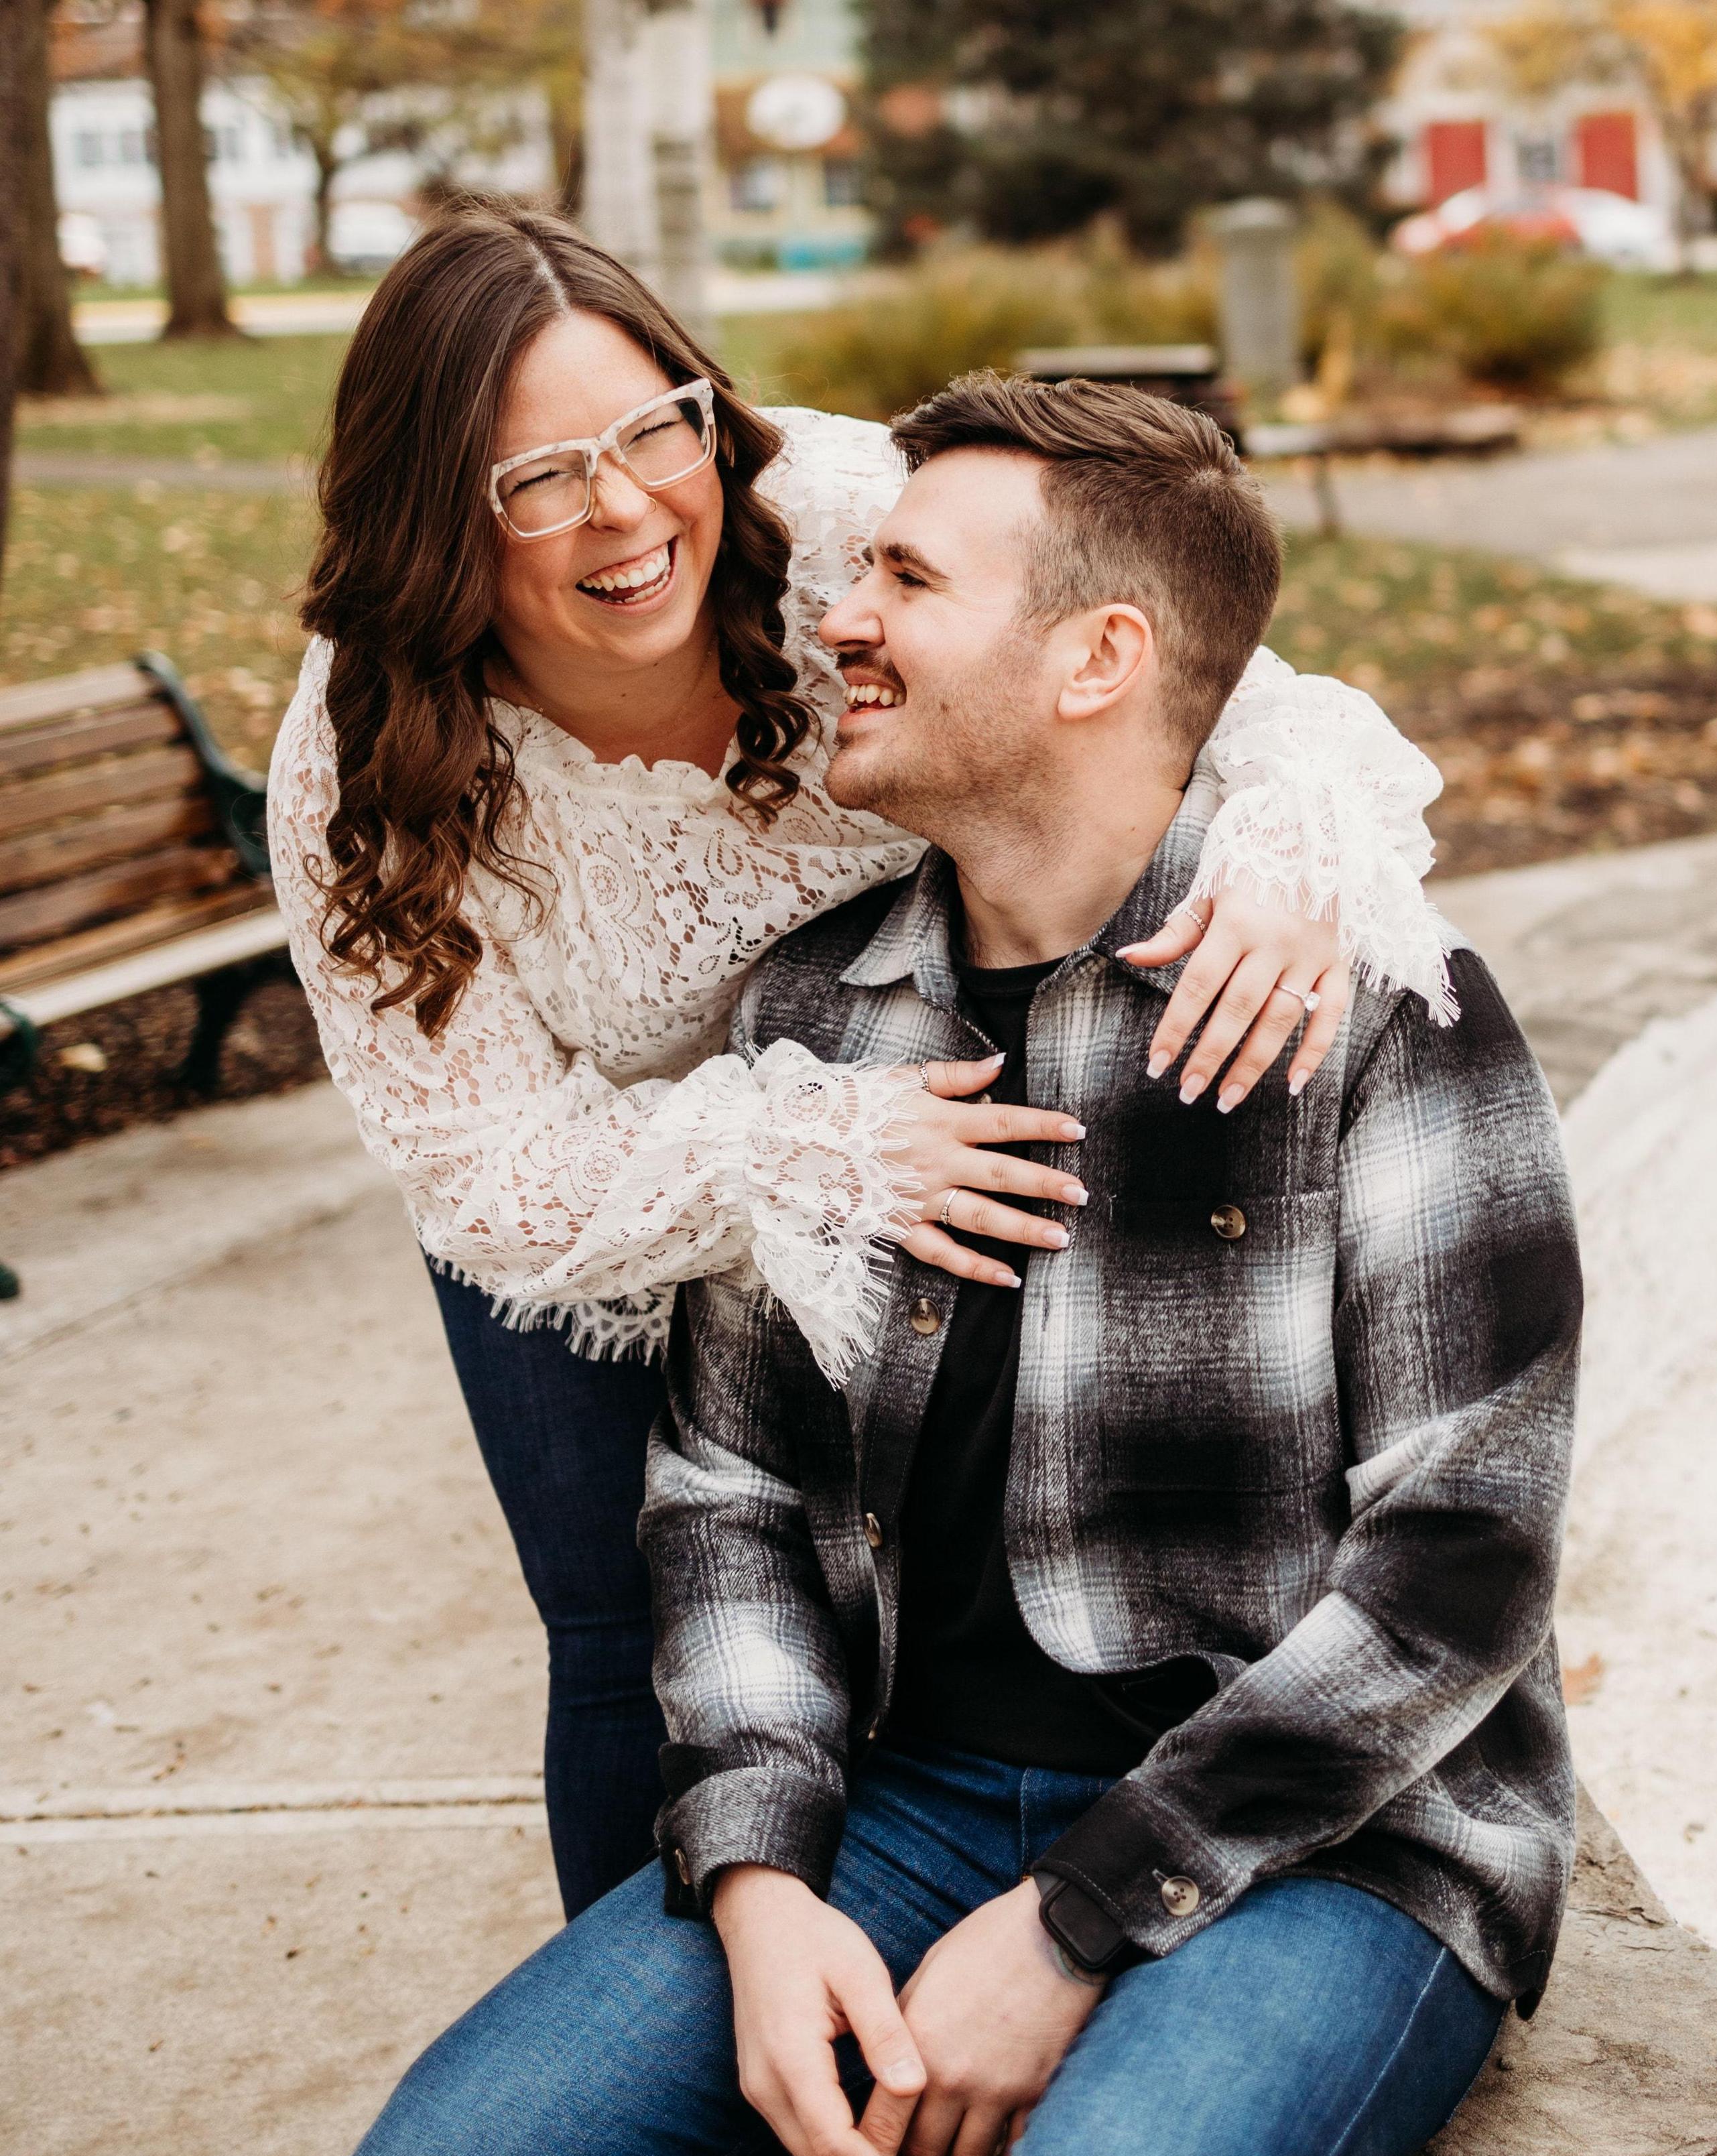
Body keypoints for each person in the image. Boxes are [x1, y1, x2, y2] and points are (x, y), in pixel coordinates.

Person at [324, 375, 1580, 2156]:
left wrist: (1081, 1917)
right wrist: (756, 1879)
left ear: (1098, 658)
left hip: (1323, 1843)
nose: (838, 613)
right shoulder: (815, 1022)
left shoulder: (1378, 1013)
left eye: (906, 577)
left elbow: (1459, 1570)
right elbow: (724, 1502)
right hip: (904, 1799)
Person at [267, 198, 1456, 1933]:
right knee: (628, 1629)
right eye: (536, 479)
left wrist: (1286, 839)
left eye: (652, 427)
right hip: (607, 1196)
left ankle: (975, 1940)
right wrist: (807, 1151)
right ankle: (694, 2072)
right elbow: (484, 1164)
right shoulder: (362, 756)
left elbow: (1222, 677)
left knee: (900, 1599)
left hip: (920, 1068)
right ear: (432, 518)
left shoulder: (832, 517)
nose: (623, 508)